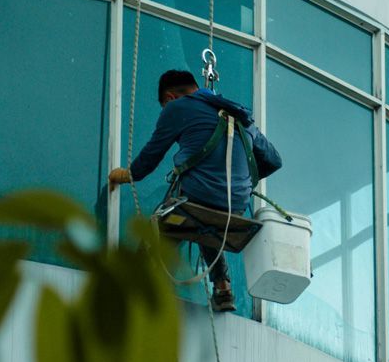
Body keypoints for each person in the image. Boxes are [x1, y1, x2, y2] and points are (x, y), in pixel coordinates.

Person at [108, 69, 282, 311]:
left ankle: (133, 286)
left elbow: (150, 157)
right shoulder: (240, 117)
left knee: (161, 226)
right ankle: (223, 288)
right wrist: (237, 180)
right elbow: (274, 160)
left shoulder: (177, 108)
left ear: (169, 98)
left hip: (199, 195)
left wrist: (128, 174)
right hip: (236, 204)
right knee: (206, 225)